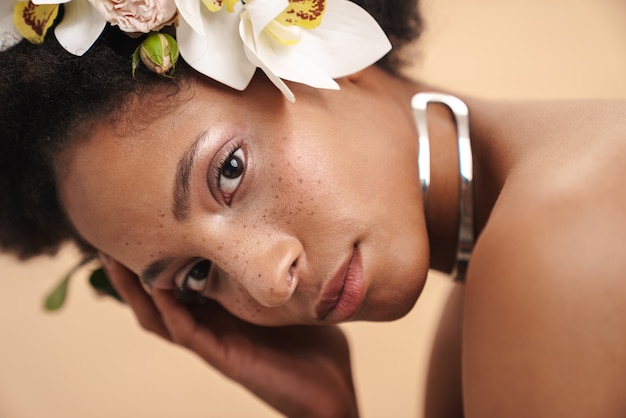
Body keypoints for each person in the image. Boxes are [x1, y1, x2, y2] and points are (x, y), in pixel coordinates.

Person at [1, 1, 626, 417]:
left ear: (313, 39)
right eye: (196, 276)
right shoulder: (488, 282)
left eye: (230, 170)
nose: (267, 285)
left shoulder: (554, 252)